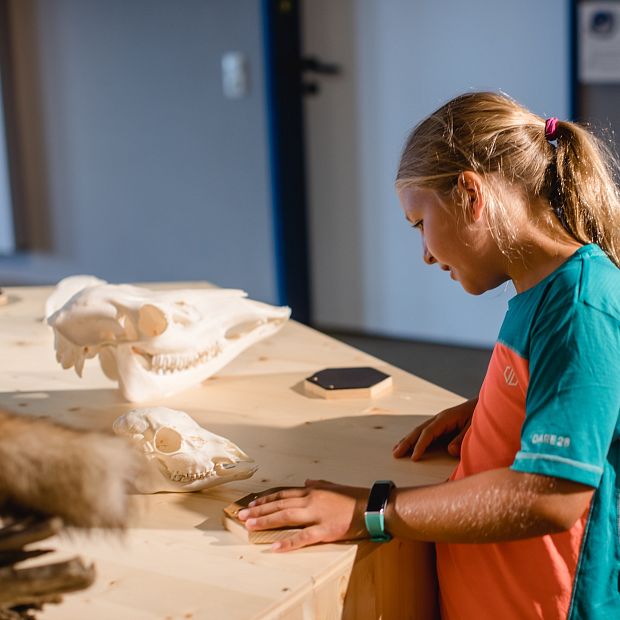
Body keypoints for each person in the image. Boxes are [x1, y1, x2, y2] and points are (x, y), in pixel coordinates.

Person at [238, 92, 620, 618]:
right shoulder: (536, 291)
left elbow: (549, 497)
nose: (424, 253)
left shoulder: (581, 304)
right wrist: (491, 412)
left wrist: (369, 509)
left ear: (469, 193)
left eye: (420, 223)